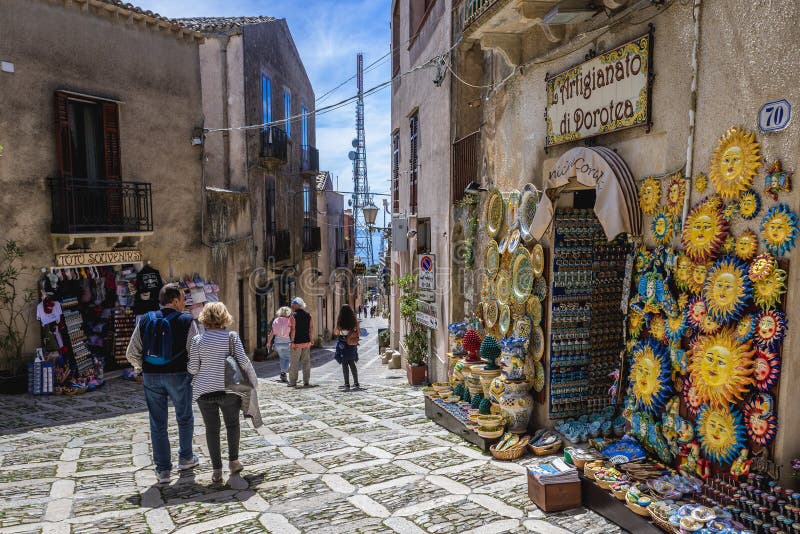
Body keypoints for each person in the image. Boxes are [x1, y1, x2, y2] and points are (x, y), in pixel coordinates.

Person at [126, 283, 199, 485]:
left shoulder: (146, 320)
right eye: (183, 298)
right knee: (184, 417)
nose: (185, 303)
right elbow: (194, 351)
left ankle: (163, 470)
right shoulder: (187, 321)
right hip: (178, 376)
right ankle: (185, 458)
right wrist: (192, 372)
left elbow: (131, 352)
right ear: (175, 301)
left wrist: (143, 368)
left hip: (151, 377)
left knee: (158, 423)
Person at [188, 302, 259, 484]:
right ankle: (234, 462)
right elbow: (243, 362)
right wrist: (254, 382)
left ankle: (216, 470)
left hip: (204, 392)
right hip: (228, 390)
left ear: (204, 317)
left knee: (212, 429)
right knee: (232, 425)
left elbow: (193, 368)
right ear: (224, 316)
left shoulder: (197, 340)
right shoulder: (231, 337)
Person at [288, 297, 313, 388]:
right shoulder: (308, 315)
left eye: (293, 303)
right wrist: (311, 340)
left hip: (296, 343)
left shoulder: (293, 316)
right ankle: (306, 381)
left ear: (297, 305)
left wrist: (292, 341)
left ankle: (293, 382)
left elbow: (292, 329)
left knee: (294, 362)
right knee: (306, 362)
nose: (291, 305)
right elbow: (311, 328)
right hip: (306, 342)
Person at [334, 304, 360, 391]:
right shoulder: (354, 320)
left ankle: (347, 384)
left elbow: (336, 332)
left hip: (342, 344)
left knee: (344, 364)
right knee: (352, 363)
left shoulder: (340, 321)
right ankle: (356, 383)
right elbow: (358, 332)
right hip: (352, 343)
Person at [267, 306, 292, 382]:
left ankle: (283, 372)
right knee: (287, 358)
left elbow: (272, 333)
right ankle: (284, 372)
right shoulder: (289, 320)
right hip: (286, 342)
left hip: (277, 342)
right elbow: (293, 331)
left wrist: (268, 342)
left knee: (282, 357)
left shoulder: (276, 320)